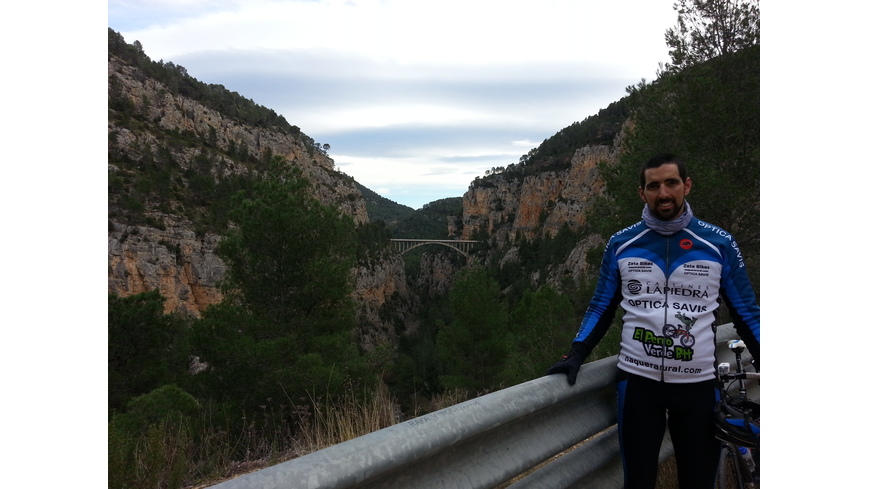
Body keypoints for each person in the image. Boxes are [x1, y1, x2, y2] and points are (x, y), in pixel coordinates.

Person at [546, 153, 760, 489]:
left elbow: (747, 312)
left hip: (698, 387)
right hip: (638, 384)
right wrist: (576, 352)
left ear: (686, 186)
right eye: (654, 185)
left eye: (671, 183)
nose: (663, 193)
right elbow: (602, 304)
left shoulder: (719, 244)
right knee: (639, 482)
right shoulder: (621, 243)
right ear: (642, 193)